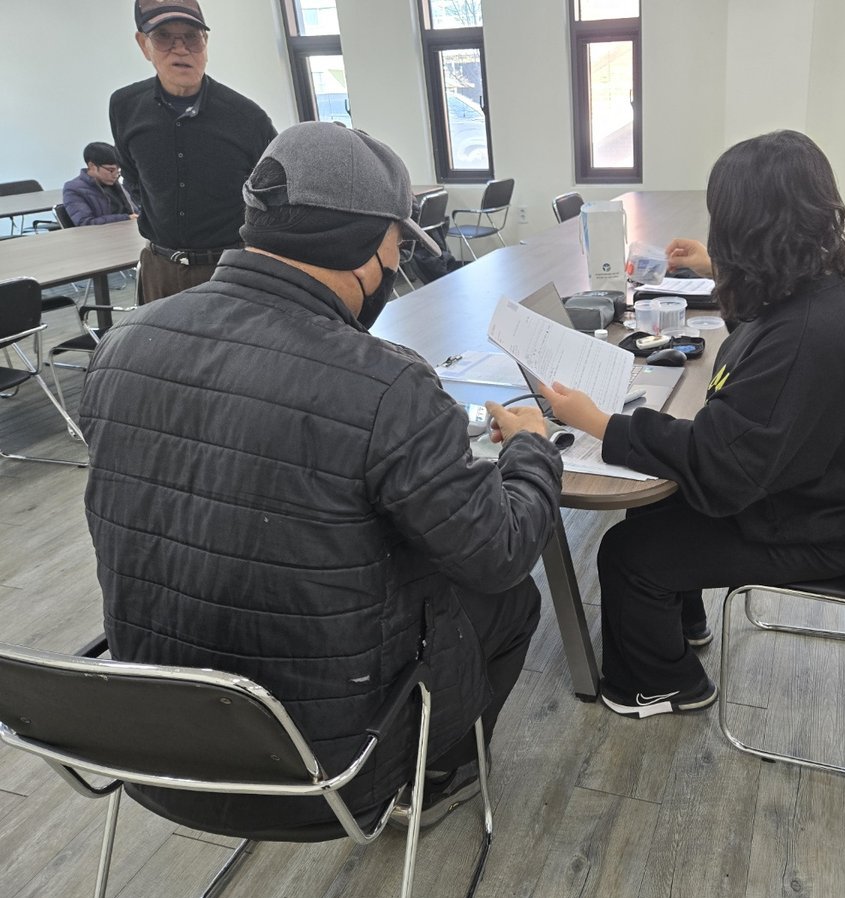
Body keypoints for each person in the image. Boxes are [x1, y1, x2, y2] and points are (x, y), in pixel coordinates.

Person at [77, 122, 564, 834]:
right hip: (328, 768)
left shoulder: (120, 344)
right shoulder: (386, 382)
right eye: (397, 244)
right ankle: (430, 775)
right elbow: (500, 552)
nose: (396, 263)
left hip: (149, 741)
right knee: (512, 601)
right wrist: (532, 450)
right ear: (361, 243)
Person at [539, 130, 845, 719]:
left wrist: (600, 423)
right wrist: (715, 268)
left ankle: (666, 683)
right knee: (653, 503)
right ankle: (684, 622)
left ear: (754, 232)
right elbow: (762, 347)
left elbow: (716, 462)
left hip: (819, 526)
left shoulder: (803, 336)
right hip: (825, 485)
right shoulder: (826, 285)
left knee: (628, 553)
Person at [110, 0, 277, 304]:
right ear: (144, 45)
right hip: (160, 269)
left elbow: (275, 195)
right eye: (164, 37)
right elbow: (133, 179)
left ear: (206, 43)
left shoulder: (247, 117)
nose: (181, 49)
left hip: (231, 270)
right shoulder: (124, 107)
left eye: (191, 37)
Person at [61, 142, 139, 226]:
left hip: (127, 228)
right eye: (111, 170)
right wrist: (126, 218)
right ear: (92, 166)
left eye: (118, 170)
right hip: (104, 233)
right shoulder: (74, 189)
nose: (116, 175)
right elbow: (85, 223)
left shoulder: (116, 184)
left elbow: (135, 212)